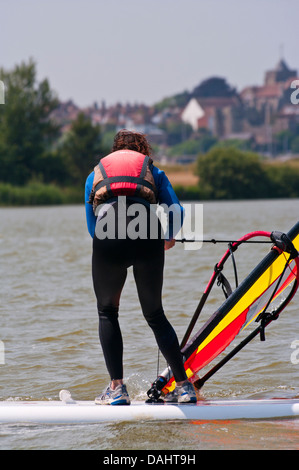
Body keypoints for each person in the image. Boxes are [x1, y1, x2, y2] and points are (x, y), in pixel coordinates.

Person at [85, 130, 196, 405]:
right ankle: (184, 387)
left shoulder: (95, 173)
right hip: (147, 232)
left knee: (107, 311)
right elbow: (177, 211)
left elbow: (91, 225)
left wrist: (107, 246)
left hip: (108, 234)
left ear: (115, 151)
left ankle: (116, 389)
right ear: (142, 151)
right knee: (155, 314)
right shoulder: (153, 172)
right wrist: (168, 235)